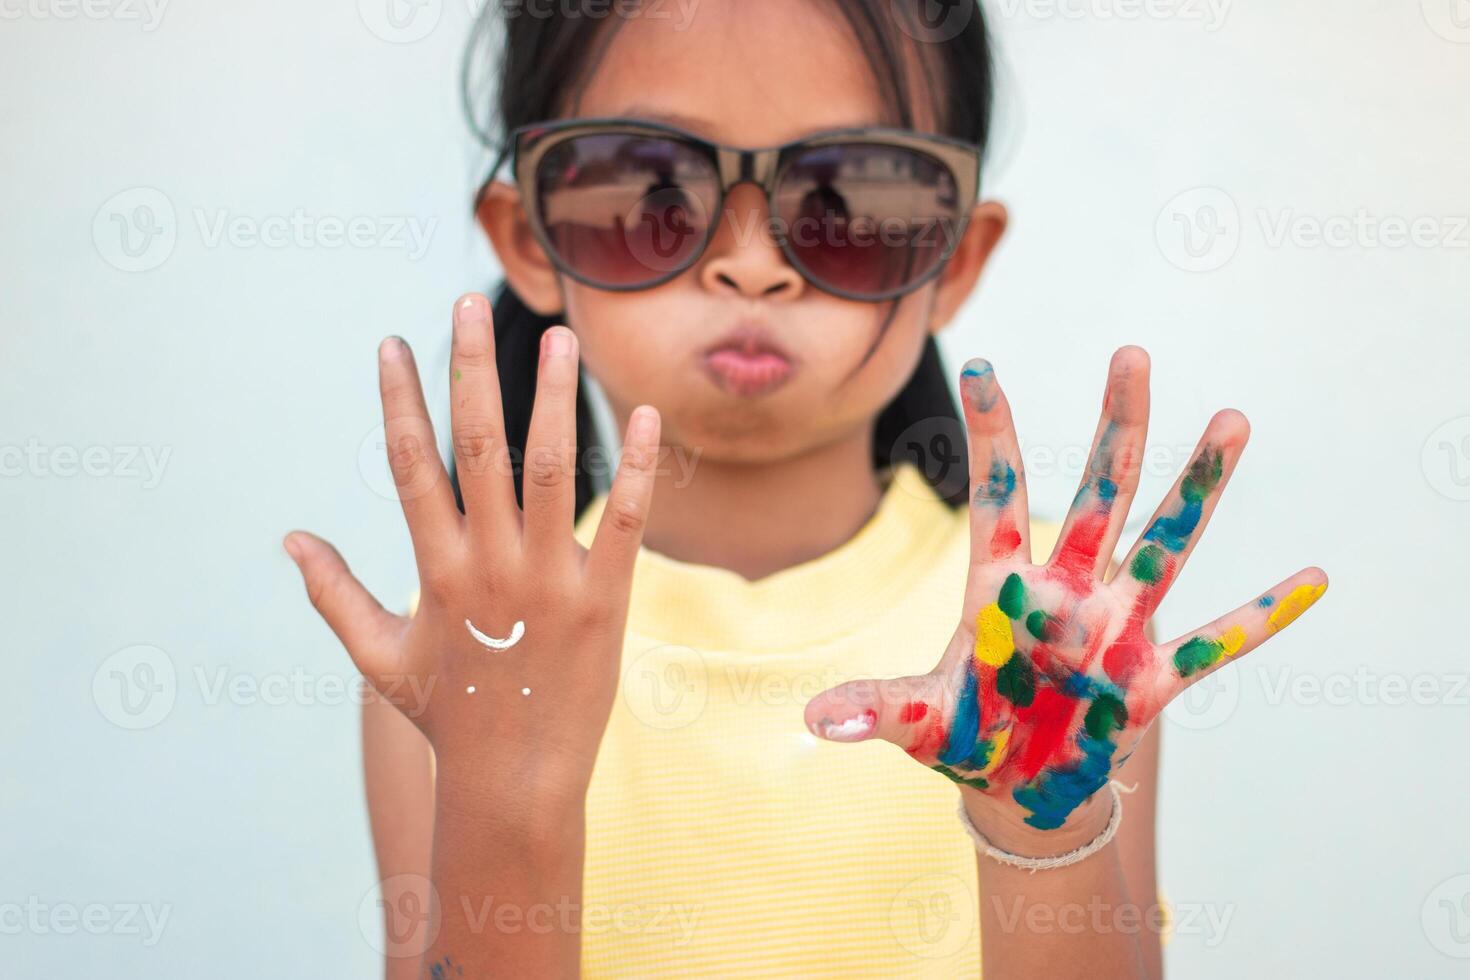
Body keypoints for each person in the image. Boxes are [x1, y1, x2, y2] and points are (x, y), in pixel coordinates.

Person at [282, 1, 1327, 975]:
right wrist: (506, 793)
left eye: (849, 200)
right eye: (653, 191)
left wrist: (1030, 824)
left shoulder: (1065, 635)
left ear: (954, 257)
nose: (753, 264)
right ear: (530, 237)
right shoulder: (462, 647)